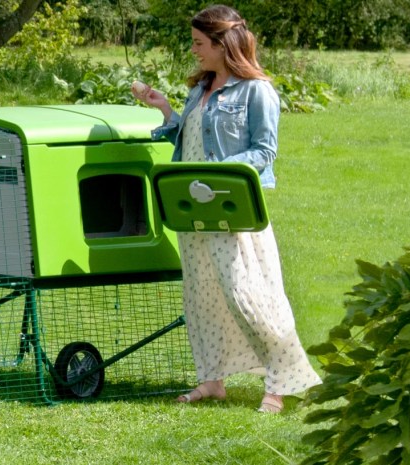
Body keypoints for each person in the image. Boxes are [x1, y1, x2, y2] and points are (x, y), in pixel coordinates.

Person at [131, 4, 321, 413]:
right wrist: (164, 109)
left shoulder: (257, 90)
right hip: (190, 204)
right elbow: (191, 137)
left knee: (246, 294)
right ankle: (211, 380)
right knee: (201, 296)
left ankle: (282, 380)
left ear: (223, 43)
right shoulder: (201, 88)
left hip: (230, 206)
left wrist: (220, 177)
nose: (195, 50)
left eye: (200, 43)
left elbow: (265, 151)